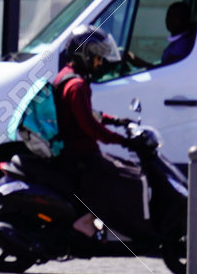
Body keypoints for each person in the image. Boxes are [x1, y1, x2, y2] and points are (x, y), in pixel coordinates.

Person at [52, 24, 144, 246]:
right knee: (122, 179)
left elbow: (86, 113)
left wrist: (117, 120)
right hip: (80, 154)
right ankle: (85, 221)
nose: (100, 63)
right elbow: (90, 126)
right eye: (97, 58)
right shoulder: (76, 85)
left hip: (76, 150)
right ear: (85, 55)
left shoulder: (67, 76)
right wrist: (123, 141)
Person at [125, 1, 197, 71]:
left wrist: (134, 60)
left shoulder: (184, 44)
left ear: (185, 19)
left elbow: (165, 70)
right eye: (169, 15)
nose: (170, 20)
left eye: (175, 16)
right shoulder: (177, 41)